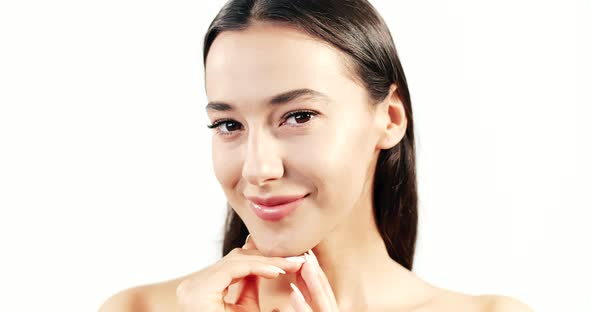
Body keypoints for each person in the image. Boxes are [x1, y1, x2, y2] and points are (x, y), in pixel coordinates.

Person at [99, 0, 533, 311]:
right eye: (229, 125)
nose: (258, 169)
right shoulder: (137, 308)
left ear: (390, 119)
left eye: (299, 116)